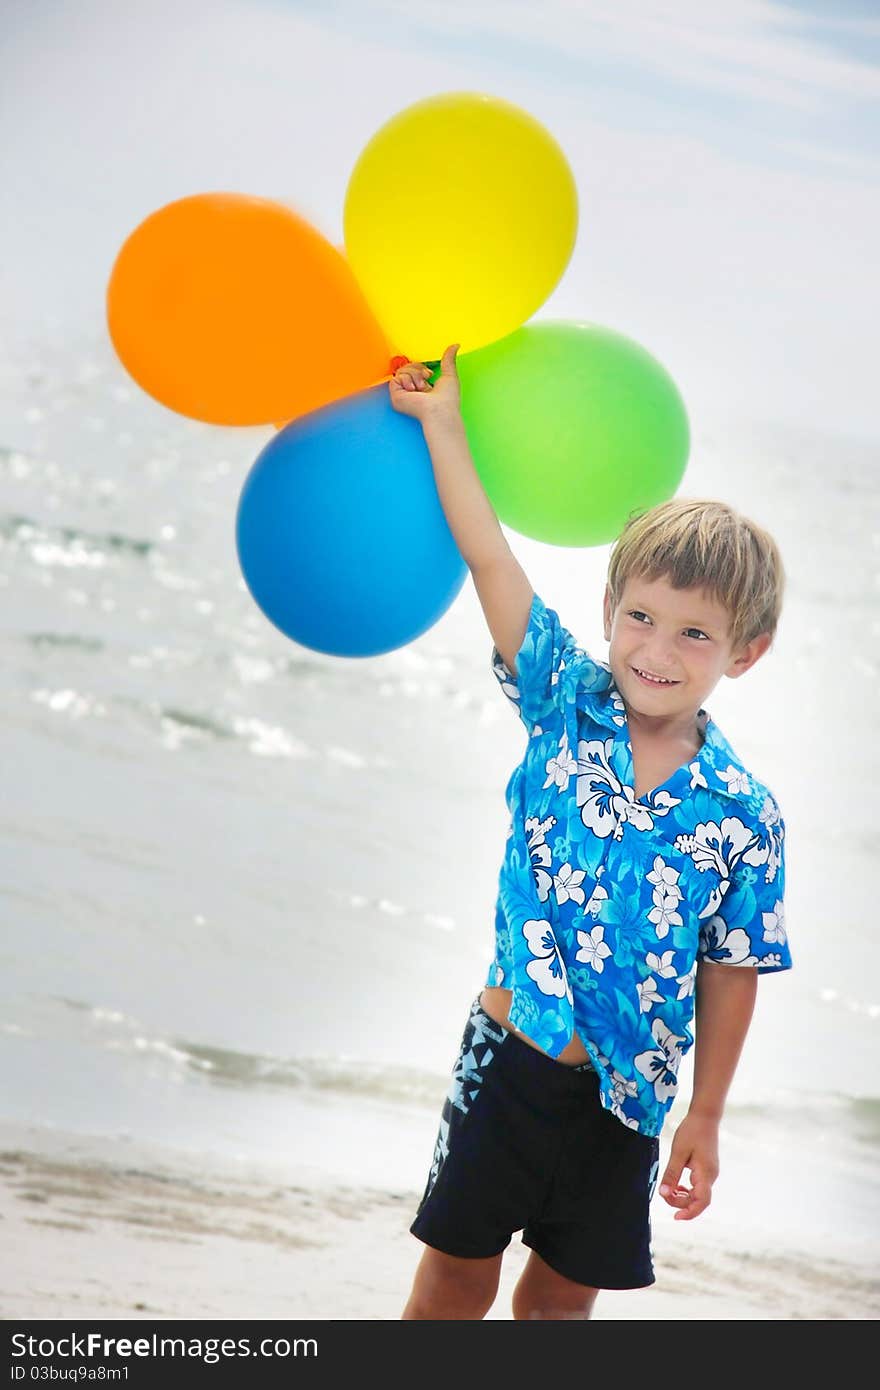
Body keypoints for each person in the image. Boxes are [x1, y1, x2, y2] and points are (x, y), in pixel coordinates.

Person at [388, 345, 792, 1320]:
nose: (656, 650)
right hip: (510, 1056)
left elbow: (730, 968)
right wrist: (443, 424)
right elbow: (490, 556)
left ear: (745, 652)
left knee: (561, 1303)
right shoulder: (563, 696)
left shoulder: (743, 813)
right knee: (453, 1275)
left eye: (694, 634)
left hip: (629, 1103)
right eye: (641, 617)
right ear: (609, 609)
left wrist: (705, 1112)